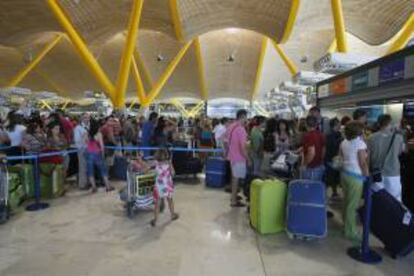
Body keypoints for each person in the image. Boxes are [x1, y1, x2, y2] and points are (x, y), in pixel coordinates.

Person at [339, 121, 369, 242]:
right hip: (356, 177)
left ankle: (345, 225)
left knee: (346, 201)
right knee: (352, 205)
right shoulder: (360, 144)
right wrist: (367, 176)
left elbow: (340, 157)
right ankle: (350, 231)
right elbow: (362, 163)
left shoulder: (343, 142)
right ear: (359, 131)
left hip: (345, 174)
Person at [367, 114, 405, 202]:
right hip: (393, 172)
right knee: (395, 199)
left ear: (379, 123)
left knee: (378, 199)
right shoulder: (398, 137)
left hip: (376, 173)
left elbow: (368, 156)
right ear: (390, 123)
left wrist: (368, 171)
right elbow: (400, 152)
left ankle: (379, 215)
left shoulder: (371, 138)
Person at [225, 109, 249, 207]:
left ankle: (233, 196)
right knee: (236, 179)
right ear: (243, 117)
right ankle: (234, 201)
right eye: (246, 117)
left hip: (231, 157)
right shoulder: (241, 129)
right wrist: (248, 159)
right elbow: (242, 148)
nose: (246, 120)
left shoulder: (231, 126)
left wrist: (228, 151)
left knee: (234, 177)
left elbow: (225, 141)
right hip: (239, 158)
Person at [151, 148, 179, 227]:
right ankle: (173, 215)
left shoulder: (156, 164)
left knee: (157, 203)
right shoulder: (168, 164)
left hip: (159, 186)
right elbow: (173, 174)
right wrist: (170, 164)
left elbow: (153, 173)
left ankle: (155, 220)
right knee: (170, 200)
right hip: (167, 186)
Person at [85, 119, 114, 193]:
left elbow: (85, 142)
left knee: (90, 171)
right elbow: (102, 146)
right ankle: (108, 186)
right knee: (103, 170)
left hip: (89, 153)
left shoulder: (87, 133)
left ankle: (94, 187)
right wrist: (103, 154)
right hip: (97, 153)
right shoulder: (98, 134)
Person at [301, 115, 325, 181]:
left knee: (309, 188)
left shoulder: (308, 136)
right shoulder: (320, 134)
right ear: (316, 124)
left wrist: (304, 164)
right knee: (316, 187)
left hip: (311, 168)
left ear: (306, 124)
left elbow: (311, 153)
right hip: (319, 166)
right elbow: (323, 149)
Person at [325, 118, 343, 200]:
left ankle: (334, 192)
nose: (340, 125)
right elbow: (331, 146)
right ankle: (324, 193)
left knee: (335, 177)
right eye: (339, 123)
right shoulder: (329, 135)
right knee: (330, 177)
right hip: (330, 159)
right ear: (335, 124)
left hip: (336, 159)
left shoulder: (339, 133)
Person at [73, 113, 90, 189]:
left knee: (88, 167)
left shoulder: (89, 127)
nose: (87, 119)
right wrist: (84, 139)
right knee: (82, 167)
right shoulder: (78, 128)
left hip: (89, 149)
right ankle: (82, 184)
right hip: (82, 149)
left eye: (88, 117)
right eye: (85, 117)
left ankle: (88, 182)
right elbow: (77, 141)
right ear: (81, 118)